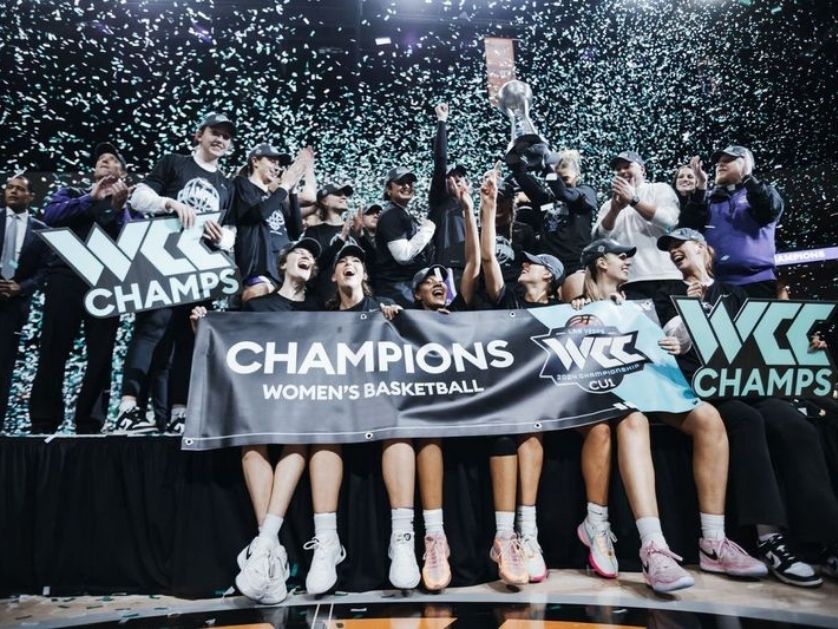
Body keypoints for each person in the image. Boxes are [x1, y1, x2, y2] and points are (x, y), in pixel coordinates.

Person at [654, 227, 838, 587]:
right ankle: (770, 539)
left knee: (795, 424)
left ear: (705, 250)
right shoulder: (666, 295)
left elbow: (765, 338)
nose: (675, 251)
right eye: (670, 248)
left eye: (682, 245)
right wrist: (682, 325)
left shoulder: (737, 294)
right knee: (746, 421)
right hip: (703, 392)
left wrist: (806, 345)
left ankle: (824, 541)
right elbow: (664, 339)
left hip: (747, 385)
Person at [578, 237, 767, 586]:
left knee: (709, 417)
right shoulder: (577, 297)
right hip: (609, 392)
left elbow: (668, 339)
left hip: (654, 382)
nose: (627, 260)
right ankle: (654, 547)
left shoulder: (642, 301)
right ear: (600, 263)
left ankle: (713, 541)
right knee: (633, 418)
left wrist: (673, 342)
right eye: (620, 255)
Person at [192, 237, 321, 604]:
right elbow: (229, 348)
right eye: (300, 252)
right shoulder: (257, 306)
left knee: (300, 434)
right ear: (282, 264)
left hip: (303, 404)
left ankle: (265, 545)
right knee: (253, 438)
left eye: (311, 256)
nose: (306, 258)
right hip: (261, 400)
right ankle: (271, 551)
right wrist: (202, 326)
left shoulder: (319, 309)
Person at [116, 112, 236, 434]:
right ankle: (128, 408)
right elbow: (138, 197)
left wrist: (220, 236)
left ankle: (179, 412)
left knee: (188, 339)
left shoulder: (226, 184)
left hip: (199, 270)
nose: (220, 140)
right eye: (215, 132)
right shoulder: (173, 163)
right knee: (151, 329)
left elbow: (231, 234)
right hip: (160, 263)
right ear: (199, 134)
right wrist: (169, 203)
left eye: (226, 136)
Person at [479, 168, 563, 585]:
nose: (523, 265)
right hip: (500, 393)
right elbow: (489, 258)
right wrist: (488, 207)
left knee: (531, 430)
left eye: (531, 264)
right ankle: (504, 534)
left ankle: (527, 534)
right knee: (505, 432)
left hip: (542, 400)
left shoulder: (564, 312)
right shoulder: (508, 295)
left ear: (548, 276)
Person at [305, 243, 404, 593]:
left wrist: (399, 321)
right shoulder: (319, 319)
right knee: (321, 431)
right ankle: (326, 542)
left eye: (356, 261)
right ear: (333, 276)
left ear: (365, 274)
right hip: (335, 409)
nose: (349, 264)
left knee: (402, 427)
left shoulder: (385, 311)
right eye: (342, 262)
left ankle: (403, 538)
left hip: (380, 408)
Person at [29, 142, 133, 434]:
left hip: (106, 283)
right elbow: (50, 218)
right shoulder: (72, 194)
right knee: (53, 348)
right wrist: (91, 198)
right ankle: (44, 418)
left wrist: (119, 208)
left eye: (112, 159)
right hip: (66, 278)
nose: (105, 161)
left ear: (123, 173)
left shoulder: (130, 205)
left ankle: (90, 420)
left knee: (101, 353)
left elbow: (132, 242)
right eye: (101, 158)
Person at [678, 146, 784, 298]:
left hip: (758, 283)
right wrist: (700, 188)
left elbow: (769, 212)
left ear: (746, 163)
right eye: (718, 163)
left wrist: (747, 177)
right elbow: (685, 232)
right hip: (718, 285)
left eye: (728, 161)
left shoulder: (763, 191)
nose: (720, 165)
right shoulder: (707, 200)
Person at [226, 143, 311, 304]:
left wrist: (292, 191)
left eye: (278, 163)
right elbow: (257, 214)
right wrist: (284, 186)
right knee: (257, 303)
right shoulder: (241, 184)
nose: (277, 167)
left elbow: (296, 231)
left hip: (281, 271)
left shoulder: (275, 197)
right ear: (255, 161)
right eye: (272, 161)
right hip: (259, 268)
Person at [509, 149, 597, 301]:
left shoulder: (586, 192)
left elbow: (565, 194)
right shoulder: (546, 200)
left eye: (565, 178)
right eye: (558, 179)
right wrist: (517, 163)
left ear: (577, 175)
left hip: (575, 266)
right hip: (548, 268)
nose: (560, 183)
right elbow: (523, 179)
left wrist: (546, 169)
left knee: (576, 312)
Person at [592, 151, 681, 300]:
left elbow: (670, 221)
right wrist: (614, 211)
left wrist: (634, 201)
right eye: (618, 169)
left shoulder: (659, 189)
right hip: (629, 280)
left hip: (666, 275)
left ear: (642, 169)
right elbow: (598, 240)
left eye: (627, 166)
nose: (622, 171)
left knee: (674, 324)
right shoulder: (608, 205)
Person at [0, 175, 49, 429]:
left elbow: (44, 270)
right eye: (10, 187)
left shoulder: (40, 229)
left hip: (14, 307)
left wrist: (22, 287)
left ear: (30, 197)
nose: (14, 192)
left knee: (4, 366)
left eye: (20, 189)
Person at [374, 166, 436, 307]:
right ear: (388, 190)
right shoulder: (391, 214)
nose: (407, 186)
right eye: (401, 182)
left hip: (403, 288)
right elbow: (403, 255)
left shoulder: (401, 213)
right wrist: (427, 230)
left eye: (409, 182)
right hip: (395, 291)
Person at [428, 102, 469, 283]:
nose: (457, 179)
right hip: (444, 270)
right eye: (451, 176)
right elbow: (440, 161)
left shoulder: (468, 209)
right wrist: (442, 121)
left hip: (470, 269)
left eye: (460, 176)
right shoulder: (440, 200)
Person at [304, 182, 356, 305]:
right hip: (326, 298)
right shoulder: (314, 232)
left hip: (355, 297)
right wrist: (340, 241)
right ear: (324, 201)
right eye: (338, 194)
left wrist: (363, 237)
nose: (344, 197)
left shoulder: (354, 230)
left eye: (345, 195)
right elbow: (314, 266)